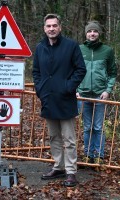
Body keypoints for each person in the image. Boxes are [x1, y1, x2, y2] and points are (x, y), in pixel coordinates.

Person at [32, 14, 86, 187]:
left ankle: (71, 171)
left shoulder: (71, 46)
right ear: (44, 29)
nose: (51, 29)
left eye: (54, 25)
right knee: (54, 136)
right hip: (48, 99)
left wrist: (68, 87)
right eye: (48, 26)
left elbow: (80, 69)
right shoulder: (40, 47)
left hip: (65, 99)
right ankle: (59, 166)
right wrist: (40, 89)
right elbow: (36, 72)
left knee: (69, 138)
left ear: (60, 27)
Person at [77, 21, 117, 164]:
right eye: (89, 31)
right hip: (83, 95)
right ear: (86, 33)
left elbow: (112, 73)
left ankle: (98, 155)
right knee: (87, 127)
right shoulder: (79, 49)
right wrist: (76, 90)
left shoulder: (107, 51)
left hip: (100, 95)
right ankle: (88, 154)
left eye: (95, 31)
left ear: (99, 33)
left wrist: (108, 90)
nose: (92, 33)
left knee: (98, 127)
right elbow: (73, 71)